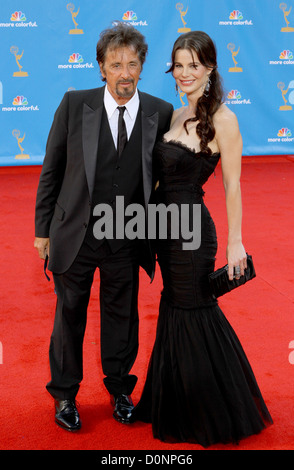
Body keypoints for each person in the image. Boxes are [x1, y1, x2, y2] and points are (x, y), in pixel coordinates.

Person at [133, 31, 273, 446]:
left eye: (194, 64)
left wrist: (236, 242)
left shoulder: (224, 120)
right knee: (175, 310)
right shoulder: (175, 115)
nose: (185, 72)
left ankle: (212, 409)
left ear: (210, 68)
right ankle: (175, 399)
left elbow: (232, 186)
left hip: (192, 235)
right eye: (179, 64)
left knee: (193, 310)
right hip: (164, 230)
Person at [34, 22, 173, 432]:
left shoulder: (159, 112)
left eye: (132, 64)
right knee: (69, 314)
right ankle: (64, 396)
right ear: (101, 68)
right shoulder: (75, 104)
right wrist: (42, 231)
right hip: (75, 231)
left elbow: (164, 176)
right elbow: (51, 170)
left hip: (127, 234)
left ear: (142, 66)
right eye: (116, 64)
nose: (125, 72)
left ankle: (119, 389)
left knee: (121, 315)